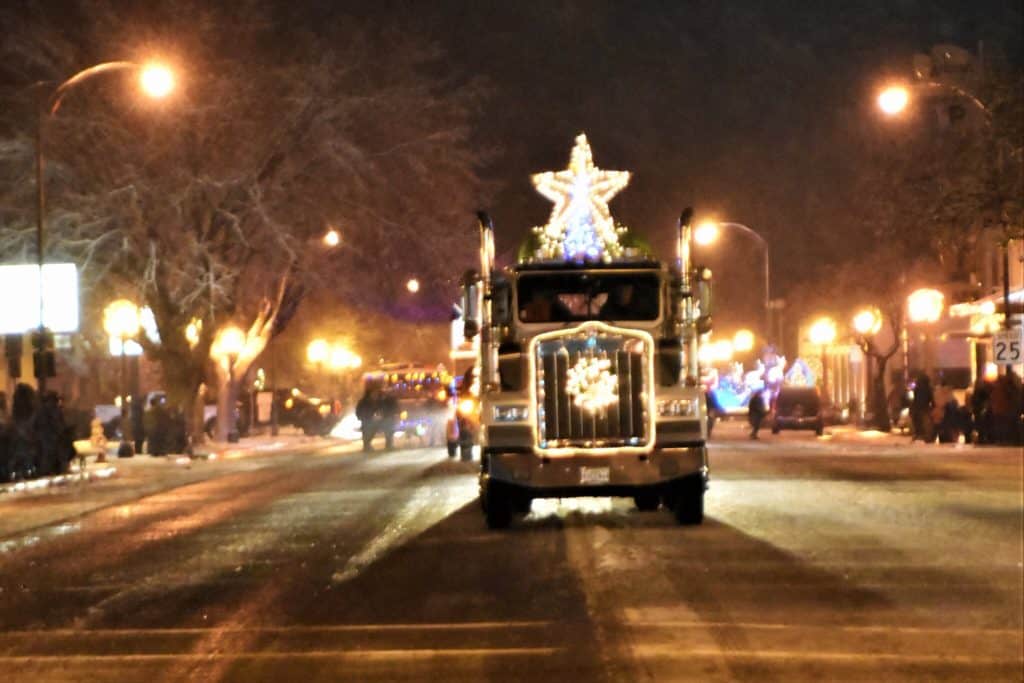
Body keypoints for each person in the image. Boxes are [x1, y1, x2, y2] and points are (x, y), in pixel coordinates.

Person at [910, 373, 934, 442]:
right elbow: (931, 398)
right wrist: (933, 406)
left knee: (917, 422)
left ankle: (917, 434)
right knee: (925, 423)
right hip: (924, 408)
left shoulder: (917, 388)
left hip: (916, 408)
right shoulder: (928, 388)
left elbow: (915, 398)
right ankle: (925, 436)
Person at [356, 386, 381, 452]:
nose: (374, 395)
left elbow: (375, 409)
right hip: (367, 418)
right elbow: (359, 409)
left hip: (368, 418)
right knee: (368, 432)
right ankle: (366, 446)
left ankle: (367, 446)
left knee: (368, 432)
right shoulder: (367, 401)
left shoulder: (370, 401)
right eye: (373, 393)